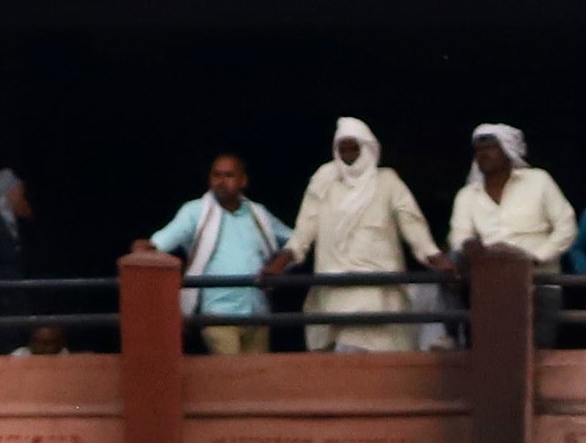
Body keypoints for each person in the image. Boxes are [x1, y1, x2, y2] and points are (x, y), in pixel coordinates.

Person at [289, 114, 443, 350]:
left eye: (354, 148)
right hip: (335, 294)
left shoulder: (388, 182)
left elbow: (412, 223)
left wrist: (434, 256)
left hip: (379, 294)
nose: (348, 154)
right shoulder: (323, 181)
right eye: (343, 148)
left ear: (367, 148)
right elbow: (304, 230)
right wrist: (284, 258)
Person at [148, 151, 289, 352]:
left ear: (243, 181)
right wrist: (143, 249)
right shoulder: (195, 212)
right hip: (218, 315)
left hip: (257, 313)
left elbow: (296, 241)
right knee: (231, 377)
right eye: (216, 175)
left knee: (257, 380)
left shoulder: (258, 214)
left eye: (229, 176)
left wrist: (279, 264)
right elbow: (159, 245)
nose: (221, 182)